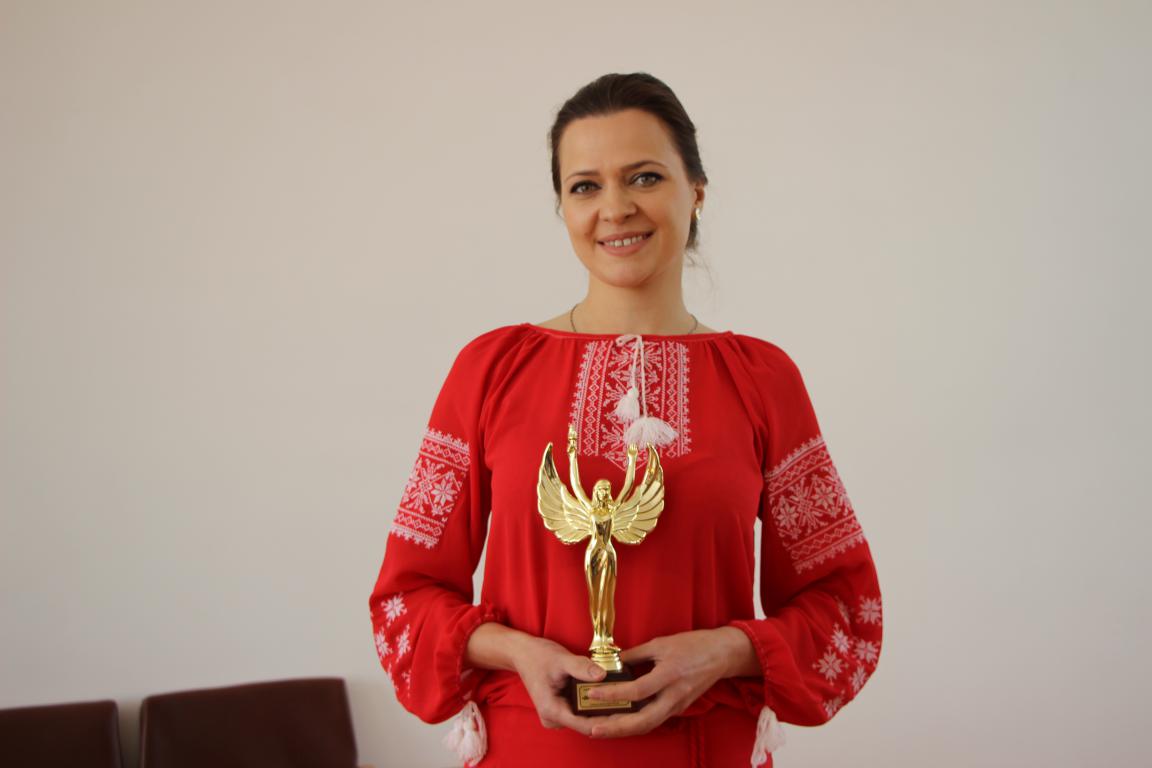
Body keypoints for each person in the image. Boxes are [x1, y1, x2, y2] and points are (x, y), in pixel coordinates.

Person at [369, 72, 882, 767]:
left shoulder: (762, 380)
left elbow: (844, 607)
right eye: (585, 186)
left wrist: (728, 650)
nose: (614, 209)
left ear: (696, 190)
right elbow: (405, 598)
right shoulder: (490, 370)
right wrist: (516, 651)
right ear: (562, 206)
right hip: (529, 751)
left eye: (644, 177)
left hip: (706, 751)